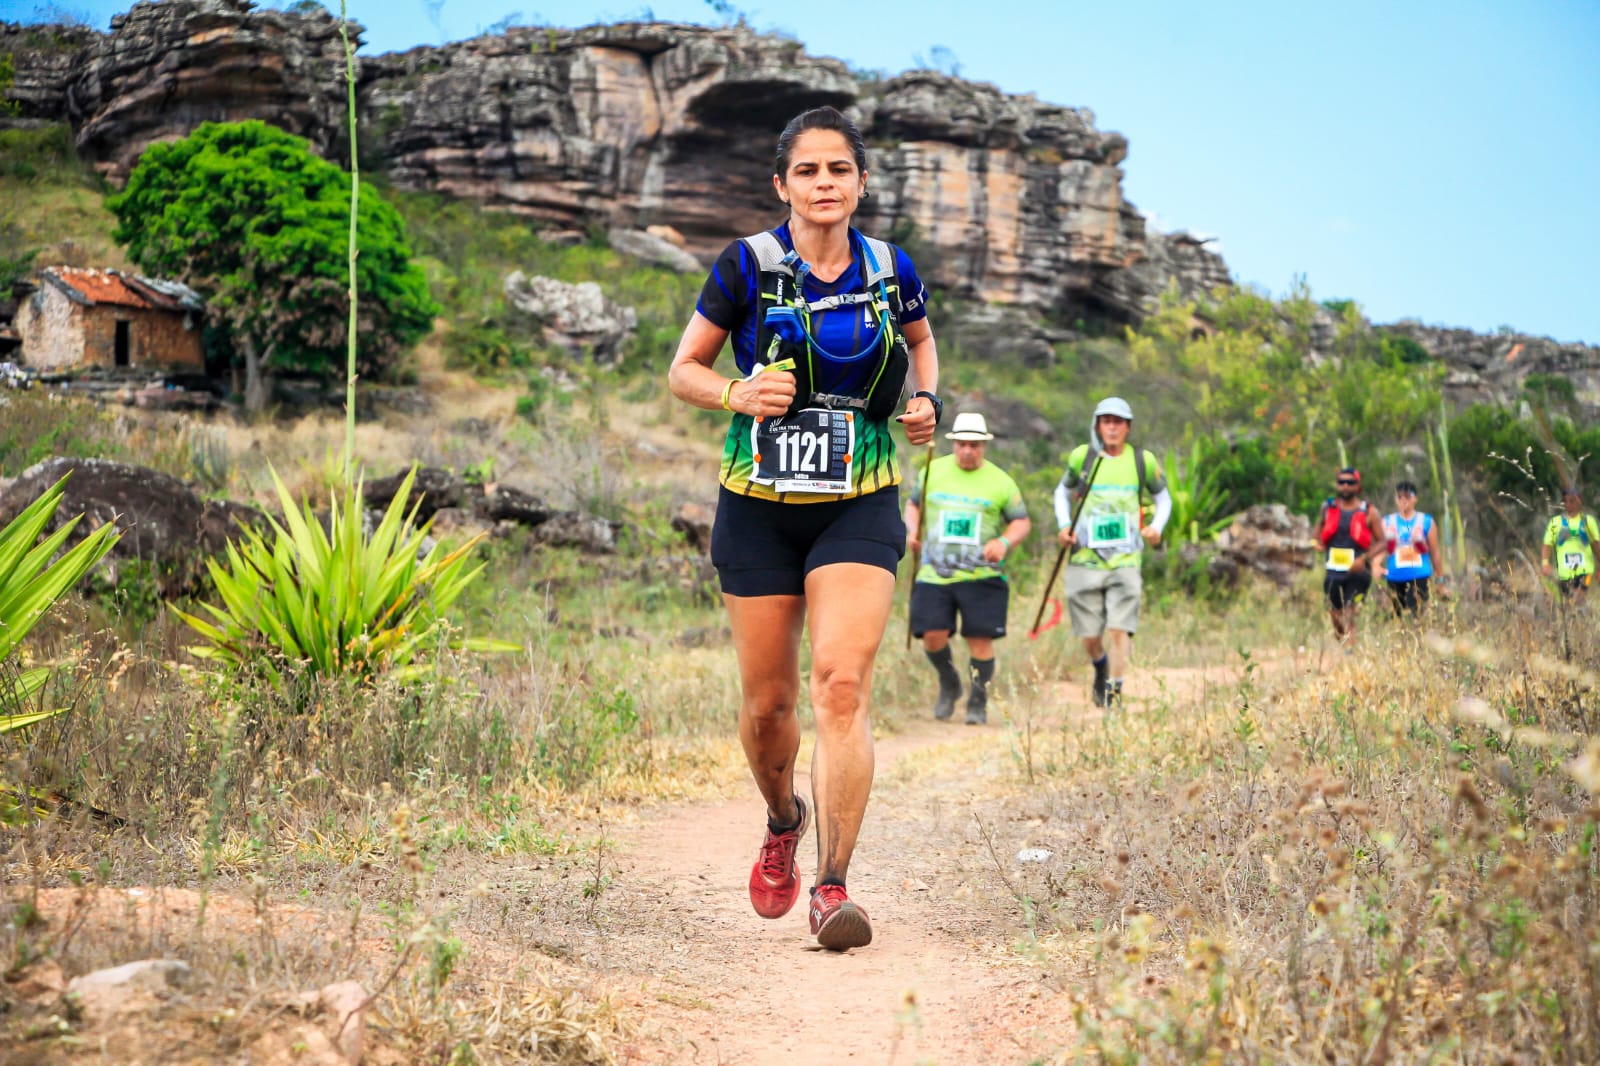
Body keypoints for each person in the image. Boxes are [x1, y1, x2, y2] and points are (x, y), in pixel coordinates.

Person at [666, 106, 941, 951]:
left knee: (842, 688)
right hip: (758, 503)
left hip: (859, 496)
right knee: (767, 707)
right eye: (809, 171)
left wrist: (927, 401)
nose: (826, 184)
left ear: (861, 183)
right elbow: (684, 371)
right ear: (782, 185)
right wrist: (735, 393)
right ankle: (784, 816)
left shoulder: (892, 269)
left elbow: (923, 346)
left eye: (840, 170)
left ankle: (832, 887)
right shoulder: (746, 265)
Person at [905, 412, 1032, 726]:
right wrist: (912, 531)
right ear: (954, 443)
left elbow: (1021, 521)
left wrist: (1004, 541)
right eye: (962, 444)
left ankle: (978, 699)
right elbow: (914, 504)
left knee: (980, 641)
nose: (967, 451)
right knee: (931, 635)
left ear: (983, 446)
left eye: (974, 445)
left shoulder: (1001, 481)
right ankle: (949, 683)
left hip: (982, 575)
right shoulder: (933, 470)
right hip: (934, 573)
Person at [1052, 397, 1170, 708]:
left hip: (1126, 560)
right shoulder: (1083, 458)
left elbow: (1164, 498)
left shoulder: (1142, 461)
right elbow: (1062, 493)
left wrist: (1156, 527)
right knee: (1089, 636)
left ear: (1128, 427)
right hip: (1085, 559)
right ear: (1098, 425)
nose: (1112, 427)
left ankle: (1114, 693)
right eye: (1106, 421)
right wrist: (1064, 526)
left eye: (1118, 422)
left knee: (1120, 629)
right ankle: (1100, 665)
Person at [1316, 467, 1378, 644]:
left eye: (1350, 482)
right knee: (1335, 614)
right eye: (1341, 482)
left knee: (1350, 612)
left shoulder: (1369, 511)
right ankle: (1344, 646)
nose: (1345, 486)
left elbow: (1382, 542)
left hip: (1358, 572)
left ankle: (1352, 653)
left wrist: (1364, 559)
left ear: (1357, 485)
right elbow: (1318, 533)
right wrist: (1318, 543)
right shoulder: (1327, 508)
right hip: (1333, 571)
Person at [1377, 480, 1444, 616]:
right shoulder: (1387, 522)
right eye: (1399, 497)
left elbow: (1435, 552)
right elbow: (1381, 549)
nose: (1403, 501)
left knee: (1418, 615)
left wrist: (1440, 579)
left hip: (1419, 576)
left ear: (1415, 499)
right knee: (1397, 618)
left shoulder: (1426, 521)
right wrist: (1375, 565)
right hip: (1394, 577)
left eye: (1407, 497)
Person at [1541, 487, 1597, 602]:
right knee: (1569, 601)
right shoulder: (1555, 522)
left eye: (1572, 501)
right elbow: (1547, 544)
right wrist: (1545, 563)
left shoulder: (1588, 521)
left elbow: (1596, 545)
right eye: (1566, 501)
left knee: (1579, 597)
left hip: (1586, 571)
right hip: (1564, 573)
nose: (1568, 504)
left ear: (1579, 501)